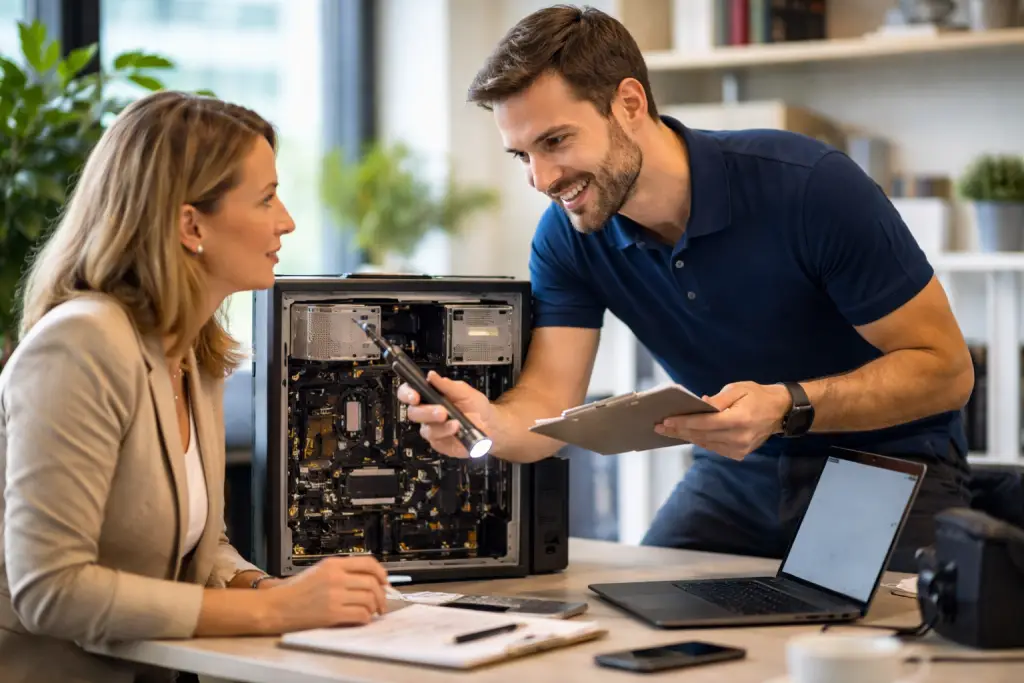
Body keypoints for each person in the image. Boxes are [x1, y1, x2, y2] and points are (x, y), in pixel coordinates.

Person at [398, 5, 976, 573]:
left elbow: (948, 372)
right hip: (735, 471)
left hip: (884, 459)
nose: (541, 179)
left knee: (879, 628)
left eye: (555, 141)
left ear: (629, 104)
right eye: (522, 155)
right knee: (628, 618)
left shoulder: (809, 187)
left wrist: (786, 405)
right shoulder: (567, 236)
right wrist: (489, 424)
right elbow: (547, 399)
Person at [0, 91, 390, 683]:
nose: (286, 221)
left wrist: (264, 586)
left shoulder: (193, 349)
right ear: (190, 224)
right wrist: (276, 611)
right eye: (266, 198)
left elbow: (195, 547)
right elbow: (52, 590)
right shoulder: (81, 344)